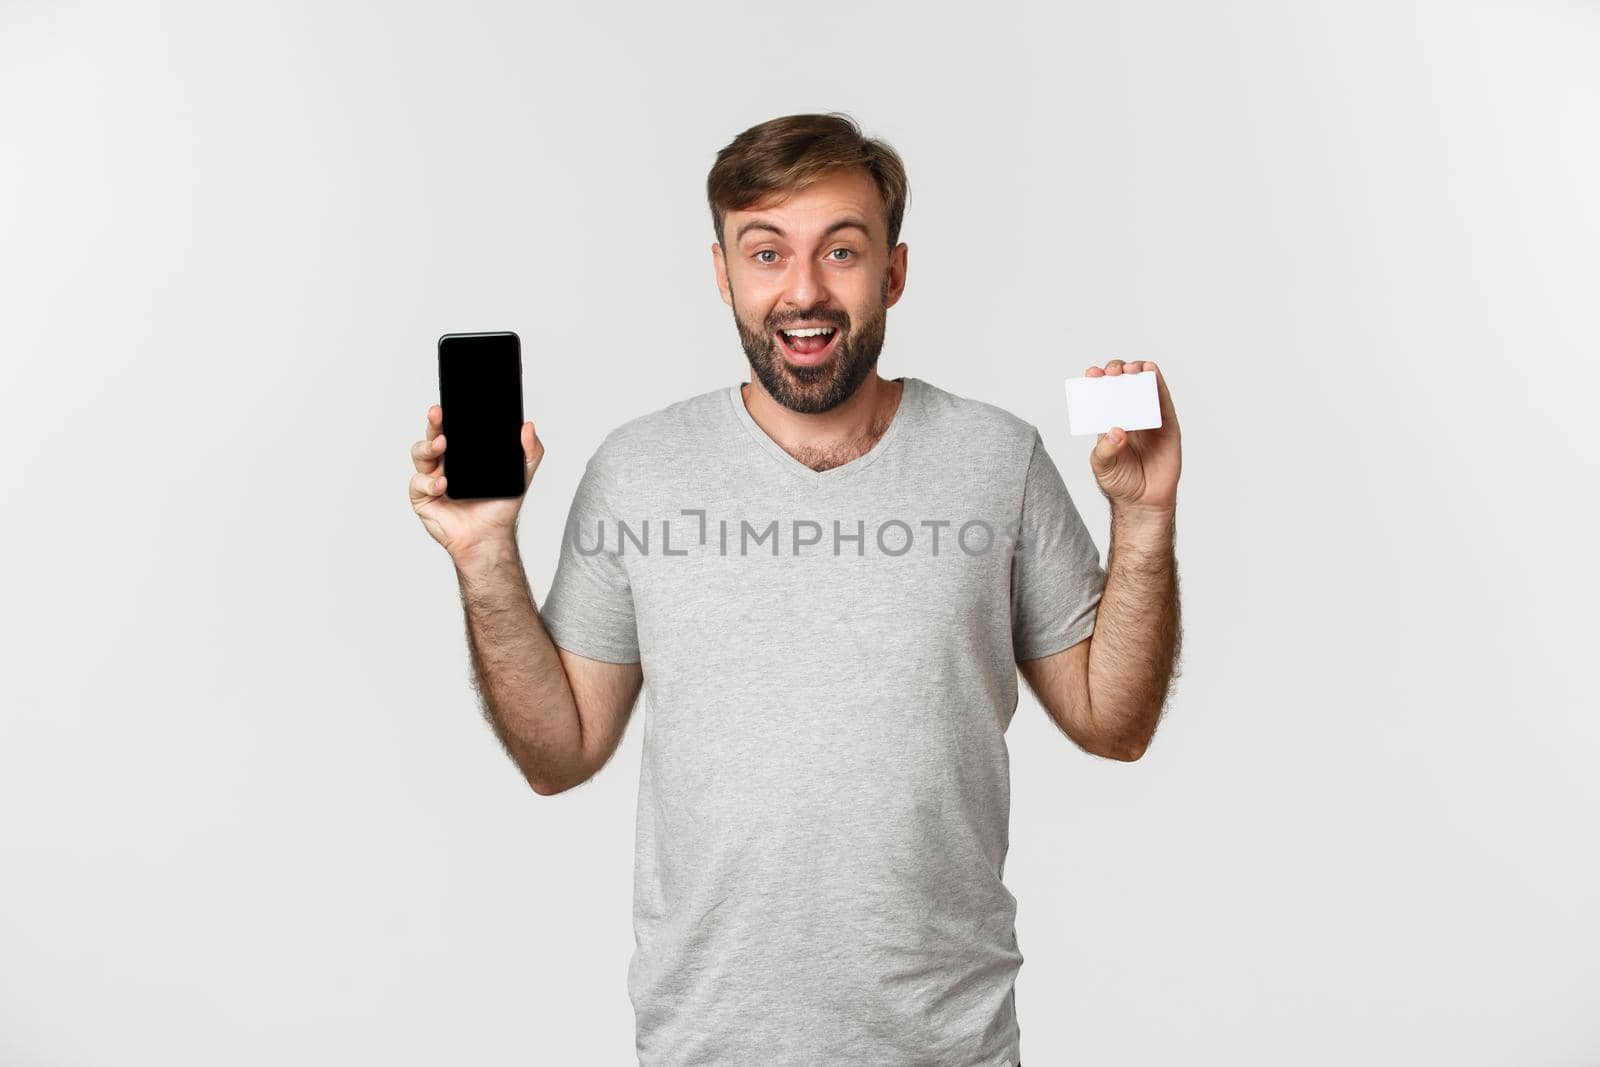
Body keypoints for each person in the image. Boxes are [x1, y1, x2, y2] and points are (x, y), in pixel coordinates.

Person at [407, 112, 1183, 1067]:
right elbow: (556, 753)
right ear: (723, 272)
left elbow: (1118, 721)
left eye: (842, 251)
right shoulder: (638, 471)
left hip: (950, 1047)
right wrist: (485, 555)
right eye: (766, 252)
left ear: (893, 271)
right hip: (710, 1046)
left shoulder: (997, 459)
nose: (803, 291)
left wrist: (1144, 518)